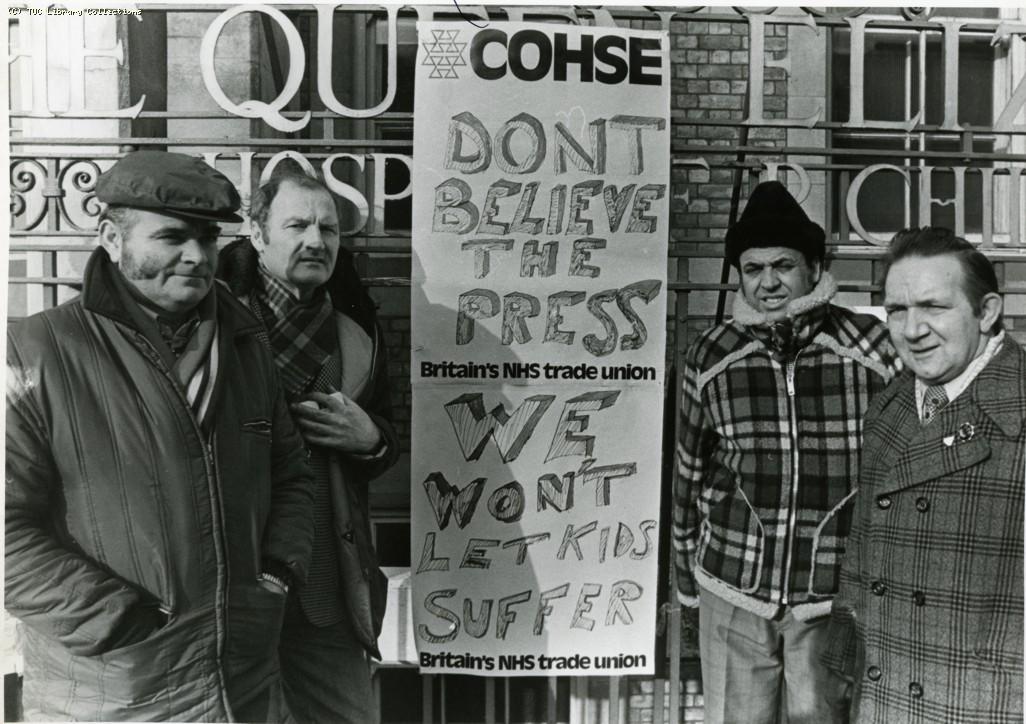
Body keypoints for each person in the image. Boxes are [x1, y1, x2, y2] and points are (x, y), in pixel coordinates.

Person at [5, 151, 315, 721]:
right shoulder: (34, 351)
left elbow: (292, 473)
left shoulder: (247, 345)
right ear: (110, 237)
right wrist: (117, 618)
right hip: (111, 695)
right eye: (171, 237)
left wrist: (276, 572)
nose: (198, 257)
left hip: (242, 687)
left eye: (208, 239)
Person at [672, 180, 901, 723]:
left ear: (813, 266)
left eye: (783, 265)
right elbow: (689, 472)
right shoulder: (711, 355)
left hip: (832, 595)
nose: (769, 282)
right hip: (732, 582)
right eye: (754, 269)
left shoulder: (872, 347)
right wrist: (686, 583)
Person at [217, 173, 399, 724]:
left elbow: (389, 438)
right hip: (236, 583)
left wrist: (370, 440)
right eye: (296, 225)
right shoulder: (212, 320)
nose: (316, 241)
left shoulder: (358, 327)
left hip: (328, 587)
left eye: (328, 229)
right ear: (257, 232)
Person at [823, 227, 1024, 723]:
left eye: (934, 307)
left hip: (986, 699)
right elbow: (862, 552)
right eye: (896, 310)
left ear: (988, 311)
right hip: (884, 694)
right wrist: (842, 669)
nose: (912, 330)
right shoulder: (888, 408)